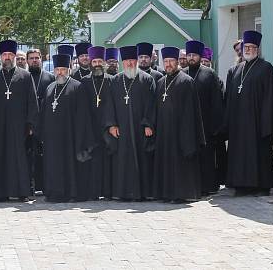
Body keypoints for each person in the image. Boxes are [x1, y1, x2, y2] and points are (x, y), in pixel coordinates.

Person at [222, 31, 273, 196]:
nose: (248, 49)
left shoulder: (266, 69)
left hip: (258, 125)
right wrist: (228, 123)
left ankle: (261, 186)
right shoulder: (234, 71)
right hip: (238, 126)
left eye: (252, 47)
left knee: (258, 155)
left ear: (257, 49)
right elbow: (228, 99)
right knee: (239, 155)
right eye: (246, 47)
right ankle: (240, 185)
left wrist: (266, 125)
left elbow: (271, 98)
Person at [0, 40, 39, 202]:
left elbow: (32, 101)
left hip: (19, 126)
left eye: (10, 55)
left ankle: (22, 191)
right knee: (0, 157)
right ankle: (0, 192)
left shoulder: (25, 76)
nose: (7, 57)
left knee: (20, 158)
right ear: (0, 57)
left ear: (15, 56)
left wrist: (30, 124)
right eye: (4, 55)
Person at [152, 47, 205, 202]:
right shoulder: (161, 82)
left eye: (171, 61)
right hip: (163, 132)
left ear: (177, 62)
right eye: (166, 61)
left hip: (181, 132)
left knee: (180, 164)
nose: (168, 64)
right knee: (166, 163)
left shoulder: (186, 81)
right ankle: (167, 193)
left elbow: (191, 112)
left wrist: (187, 136)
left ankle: (181, 194)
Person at [104, 45, 156, 200]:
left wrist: (148, 124)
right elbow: (109, 104)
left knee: (142, 160)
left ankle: (143, 193)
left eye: (133, 60)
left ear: (137, 61)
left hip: (140, 129)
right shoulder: (115, 80)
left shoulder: (147, 79)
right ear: (122, 62)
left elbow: (152, 104)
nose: (130, 64)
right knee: (122, 161)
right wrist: (111, 125)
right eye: (126, 61)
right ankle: (122, 193)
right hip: (121, 129)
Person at [38, 54, 89, 202]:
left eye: (63, 69)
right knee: (52, 165)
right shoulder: (50, 87)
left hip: (70, 137)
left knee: (69, 165)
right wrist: (42, 134)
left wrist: (79, 138)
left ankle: (70, 193)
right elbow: (44, 112)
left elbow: (82, 115)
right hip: (51, 139)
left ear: (69, 70)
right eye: (57, 69)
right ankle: (53, 193)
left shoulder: (77, 87)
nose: (60, 72)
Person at [185, 40, 226, 195]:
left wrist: (216, 127)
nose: (191, 58)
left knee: (206, 158)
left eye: (194, 55)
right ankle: (190, 186)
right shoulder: (182, 74)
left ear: (200, 56)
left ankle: (208, 186)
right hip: (188, 125)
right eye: (189, 55)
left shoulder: (209, 74)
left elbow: (216, 102)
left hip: (206, 125)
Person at [76, 45, 114, 200]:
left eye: (100, 61)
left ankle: (108, 191)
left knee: (109, 160)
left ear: (104, 62)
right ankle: (93, 191)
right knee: (93, 160)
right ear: (91, 63)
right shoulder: (83, 82)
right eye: (94, 61)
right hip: (90, 126)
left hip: (107, 126)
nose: (97, 63)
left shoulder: (113, 80)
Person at [27, 47, 54, 194]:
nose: (34, 60)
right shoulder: (24, 77)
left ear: (41, 59)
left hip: (45, 122)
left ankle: (44, 186)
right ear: (27, 61)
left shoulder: (49, 78)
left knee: (44, 157)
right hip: (28, 124)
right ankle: (30, 186)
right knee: (29, 157)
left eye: (37, 58)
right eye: (31, 58)